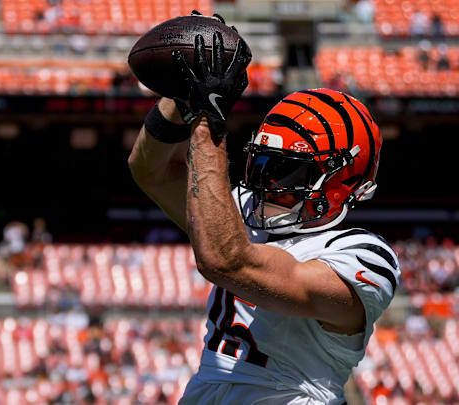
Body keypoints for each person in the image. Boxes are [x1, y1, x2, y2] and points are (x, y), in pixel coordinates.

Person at [128, 12, 400, 405]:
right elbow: (150, 169)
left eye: (288, 169)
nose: (268, 181)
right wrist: (188, 90)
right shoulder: (244, 209)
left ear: (344, 182)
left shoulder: (363, 257)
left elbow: (228, 262)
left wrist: (209, 120)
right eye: (264, 162)